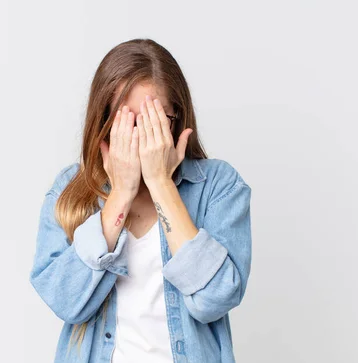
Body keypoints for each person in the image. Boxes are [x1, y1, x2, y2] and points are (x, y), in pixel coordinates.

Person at [29, 38, 252, 363]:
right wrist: (120, 194)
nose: (142, 137)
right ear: (105, 125)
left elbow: (215, 299)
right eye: (128, 123)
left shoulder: (217, 185)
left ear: (177, 119)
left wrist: (162, 183)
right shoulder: (71, 188)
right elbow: (65, 302)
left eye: (155, 122)